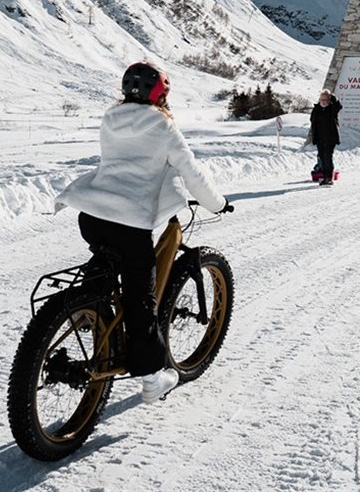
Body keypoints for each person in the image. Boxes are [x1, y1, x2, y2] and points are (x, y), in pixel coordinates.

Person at [54, 62, 232, 402]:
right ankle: (151, 380)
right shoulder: (164, 126)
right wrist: (217, 202)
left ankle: (88, 308)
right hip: (130, 223)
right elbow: (191, 171)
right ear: (161, 94)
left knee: (105, 258)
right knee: (141, 298)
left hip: (92, 215)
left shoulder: (110, 118)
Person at [310, 89, 342, 186]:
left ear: (328, 101)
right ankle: (323, 175)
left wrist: (333, 98)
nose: (323, 102)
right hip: (320, 137)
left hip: (330, 137)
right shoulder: (316, 109)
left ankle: (328, 177)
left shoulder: (332, 109)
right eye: (322, 100)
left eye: (325, 100)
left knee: (327, 156)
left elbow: (338, 106)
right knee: (321, 156)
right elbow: (312, 120)